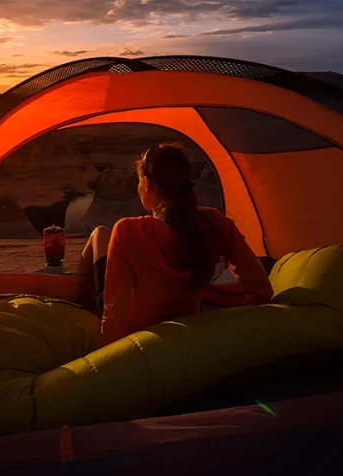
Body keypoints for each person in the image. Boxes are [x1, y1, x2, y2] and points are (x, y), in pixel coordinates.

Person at [76, 142, 274, 347]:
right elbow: (261, 292)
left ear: (149, 184)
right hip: (188, 328)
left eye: (139, 180)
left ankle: (76, 294)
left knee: (99, 235)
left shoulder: (127, 231)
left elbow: (114, 316)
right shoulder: (215, 223)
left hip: (138, 337)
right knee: (100, 235)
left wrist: (102, 356)